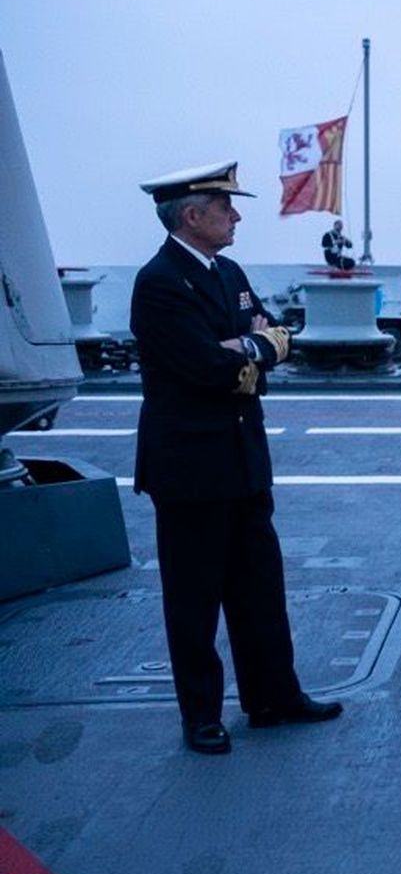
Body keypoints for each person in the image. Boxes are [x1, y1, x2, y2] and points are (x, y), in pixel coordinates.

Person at [130, 161, 343, 755]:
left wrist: (249, 347)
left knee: (260, 591)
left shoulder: (229, 272)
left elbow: (269, 335)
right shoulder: (160, 282)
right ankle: (201, 715)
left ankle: (274, 696)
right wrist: (251, 349)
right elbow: (204, 365)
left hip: (243, 458)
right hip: (191, 469)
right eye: (226, 208)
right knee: (193, 600)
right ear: (192, 216)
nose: (237, 216)